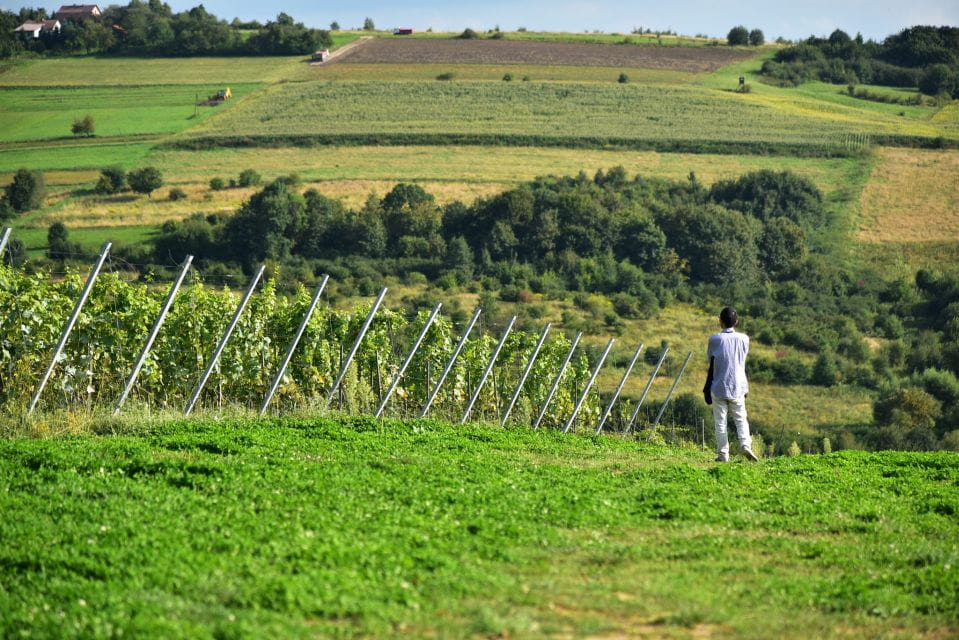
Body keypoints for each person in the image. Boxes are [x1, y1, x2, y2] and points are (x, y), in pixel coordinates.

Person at [703, 307, 759, 462]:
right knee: (741, 418)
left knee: (720, 421)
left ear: (720, 321)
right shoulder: (744, 339)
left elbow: (711, 360)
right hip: (738, 385)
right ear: (737, 321)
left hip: (719, 385)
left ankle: (723, 454)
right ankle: (745, 445)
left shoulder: (714, 339)